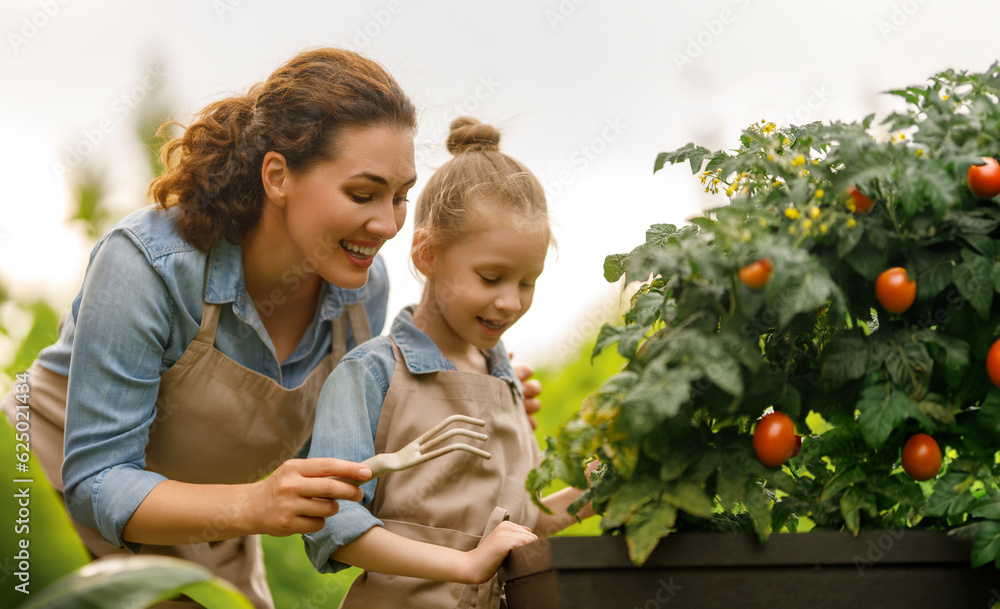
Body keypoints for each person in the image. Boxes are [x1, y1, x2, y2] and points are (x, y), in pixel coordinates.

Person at [0, 50, 541, 608]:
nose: (387, 225)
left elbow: (342, 453)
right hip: (45, 505)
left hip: (206, 530)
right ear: (277, 175)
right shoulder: (149, 265)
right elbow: (98, 481)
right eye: (363, 194)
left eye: (400, 196)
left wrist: (470, 398)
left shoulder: (361, 289)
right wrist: (255, 506)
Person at [303, 117, 595, 609]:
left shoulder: (507, 383)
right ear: (426, 253)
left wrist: (605, 484)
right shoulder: (371, 375)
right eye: (490, 277)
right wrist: (465, 563)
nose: (509, 302)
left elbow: (531, 522)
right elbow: (333, 524)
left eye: (527, 283)